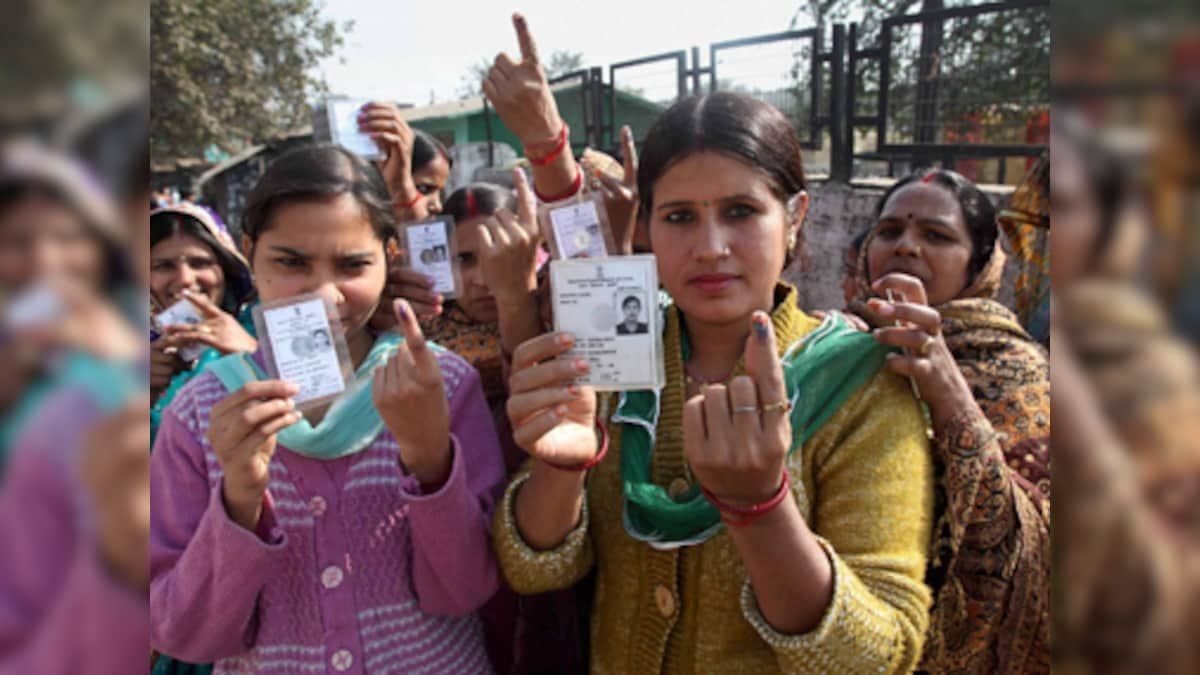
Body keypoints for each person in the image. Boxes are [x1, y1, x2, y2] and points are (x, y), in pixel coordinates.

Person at [494, 90, 934, 673]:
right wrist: (561, 467)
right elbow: (534, 567)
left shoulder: (861, 384)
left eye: (741, 211)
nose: (710, 248)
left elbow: (879, 656)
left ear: (795, 218)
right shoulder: (612, 355)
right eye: (679, 217)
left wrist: (761, 507)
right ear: (647, 224)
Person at [150, 144, 505, 673]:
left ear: (390, 257)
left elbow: (465, 592)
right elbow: (186, 633)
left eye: (352, 265)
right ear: (250, 253)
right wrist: (239, 497)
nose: (322, 294)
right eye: (290, 262)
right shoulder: (200, 413)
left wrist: (431, 461)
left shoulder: (441, 385)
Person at [851, 168, 1051, 672]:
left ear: (979, 265)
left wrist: (948, 396)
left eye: (936, 236)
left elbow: (1036, 546)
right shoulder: (840, 349)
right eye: (890, 231)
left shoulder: (1018, 372)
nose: (906, 247)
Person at [149, 203, 256, 408]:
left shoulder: (264, 331)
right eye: (163, 266)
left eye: (200, 263)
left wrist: (252, 357)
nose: (185, 279)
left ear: (227, 269)